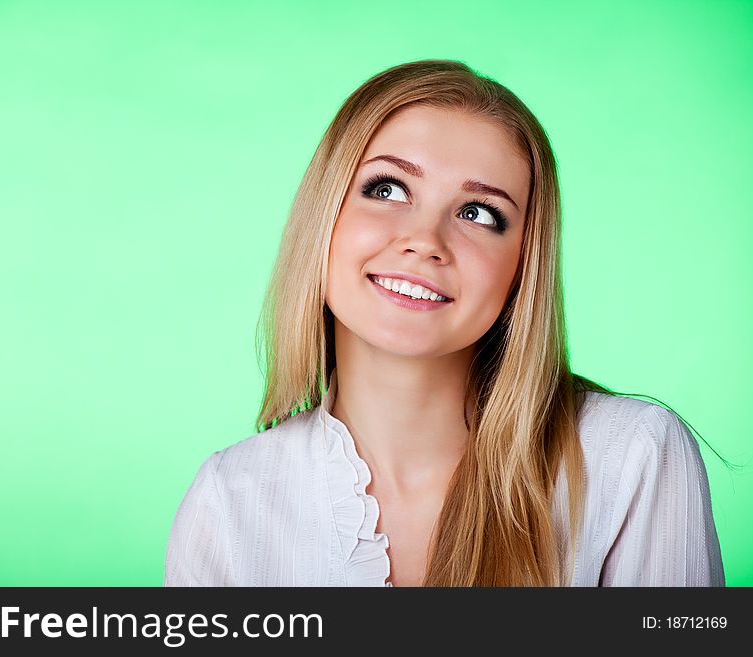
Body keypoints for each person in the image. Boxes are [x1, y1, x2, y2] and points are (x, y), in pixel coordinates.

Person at [163, 59, 725, 587]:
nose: (425, 241)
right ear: (324, 216)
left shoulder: (633, 457)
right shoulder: (228, 501)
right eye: (387, 189)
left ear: (522, 267)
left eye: (479, 213)